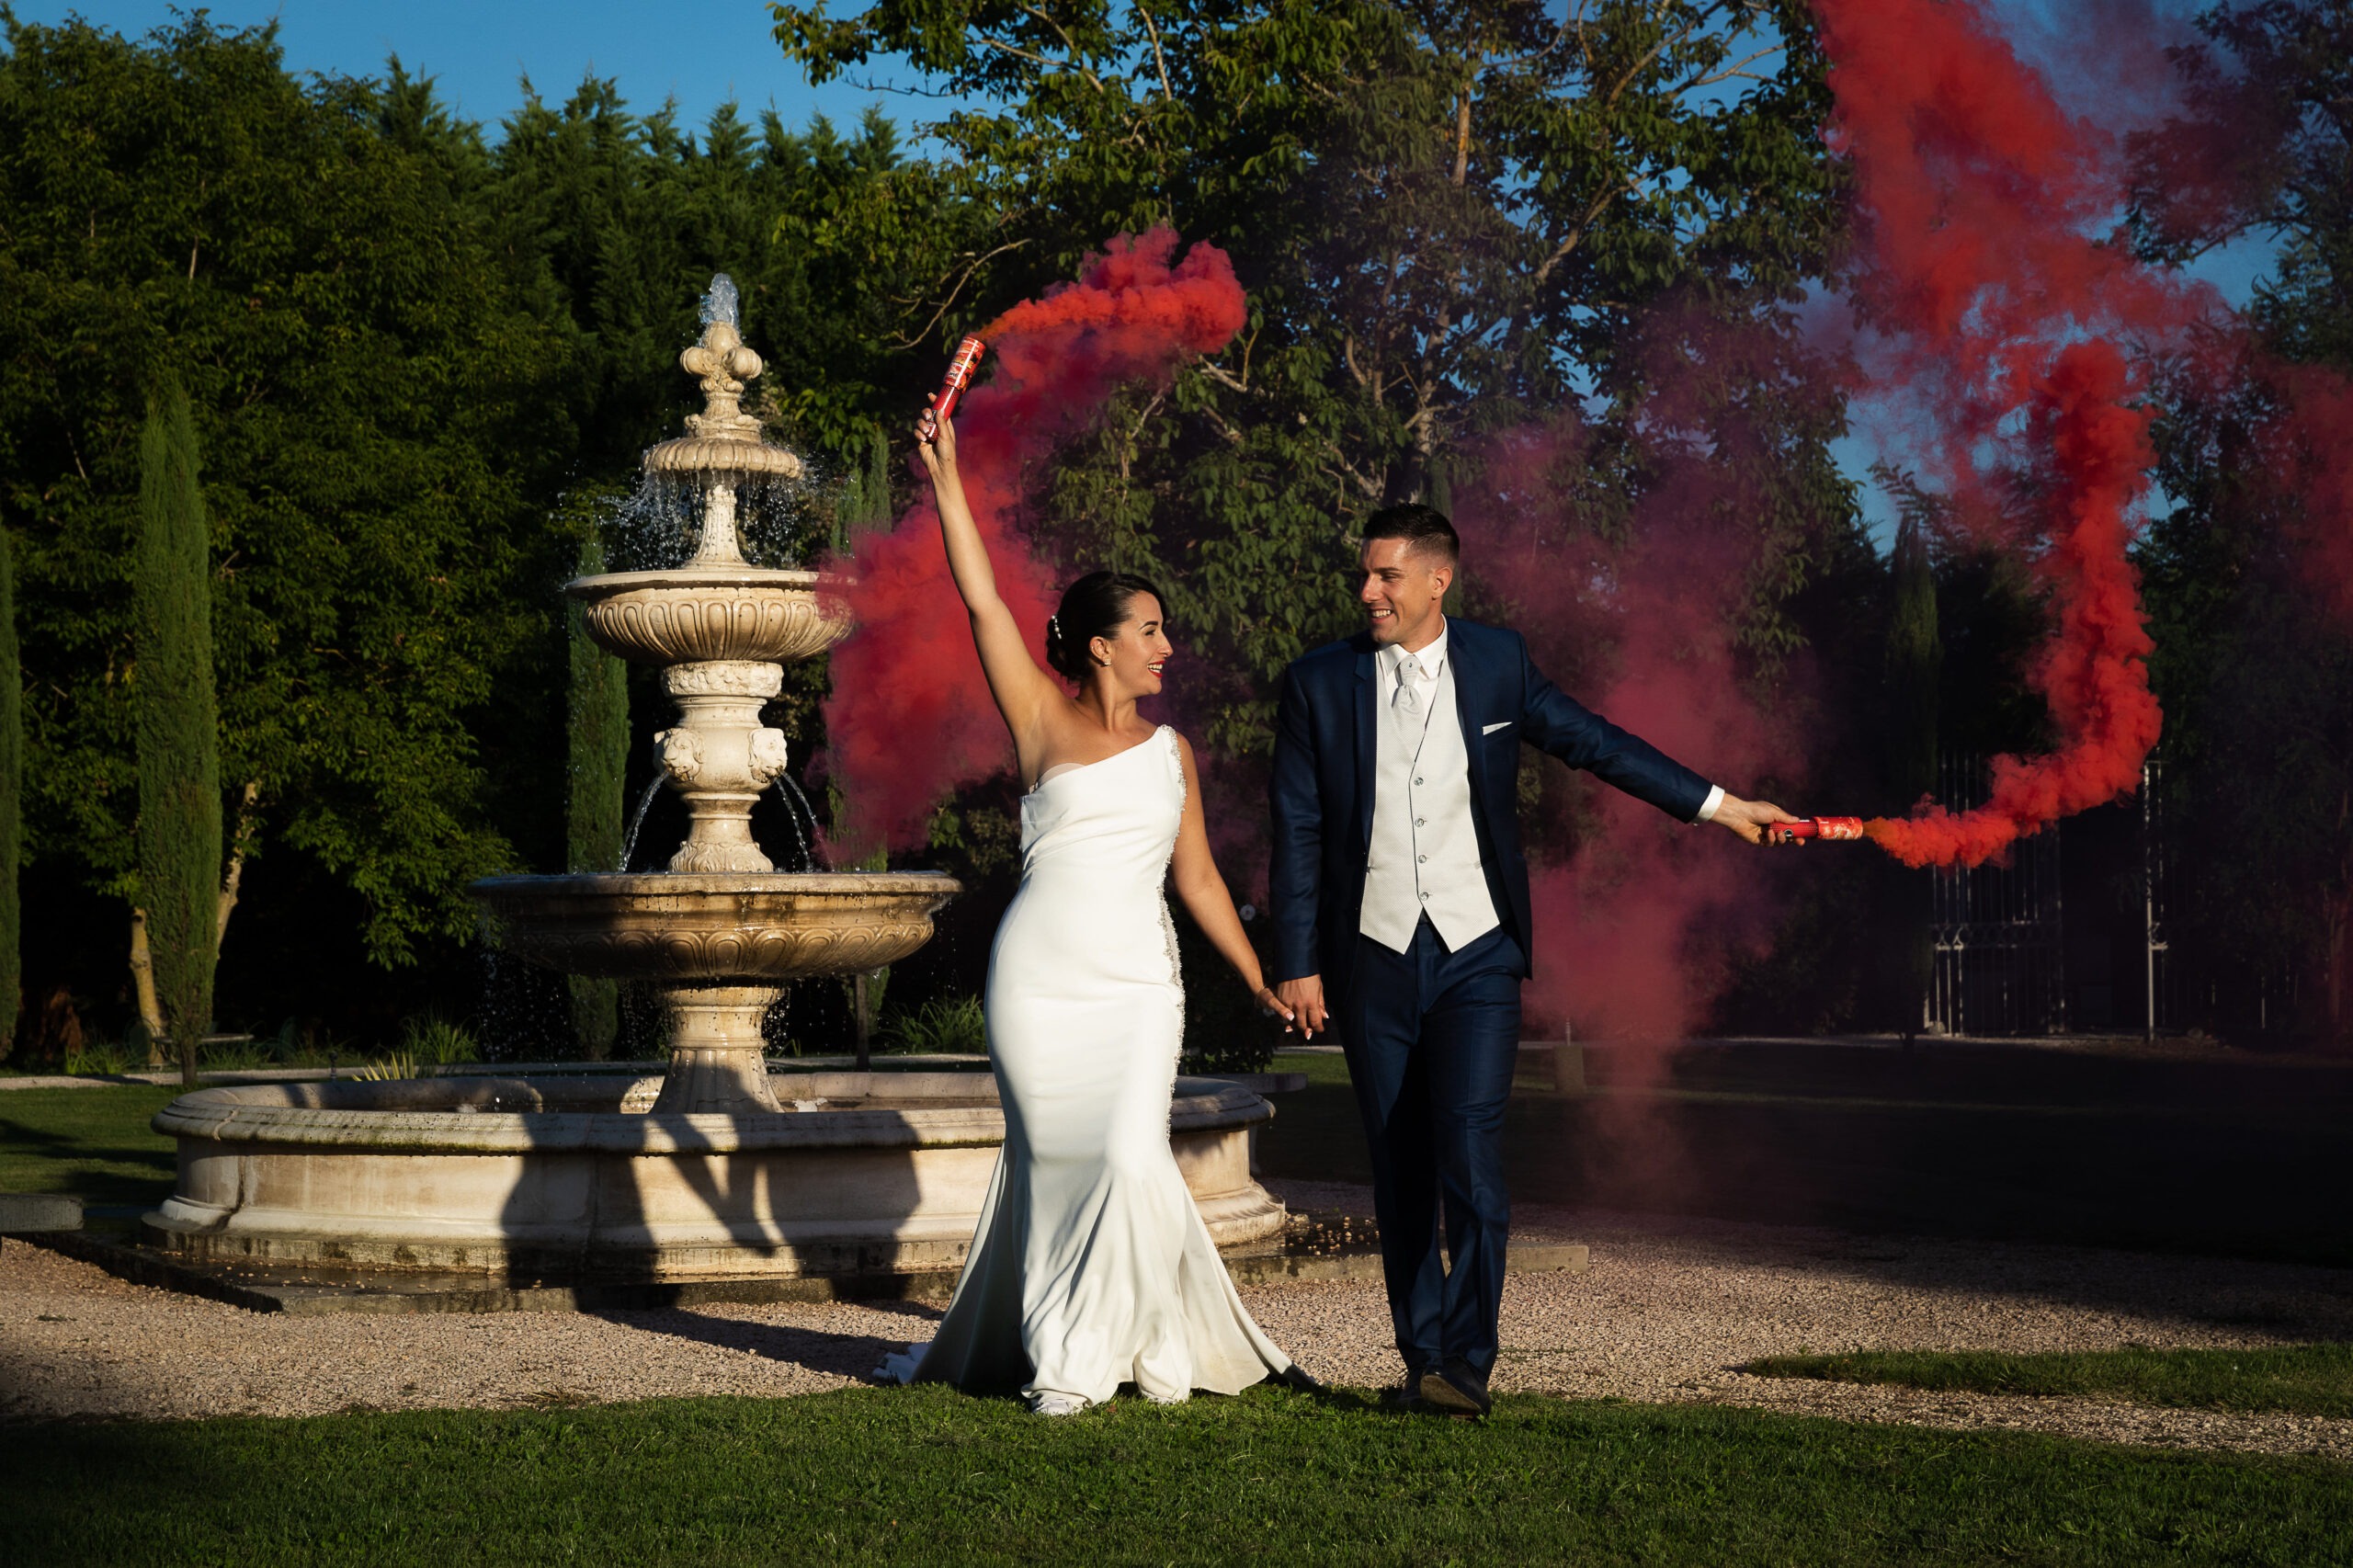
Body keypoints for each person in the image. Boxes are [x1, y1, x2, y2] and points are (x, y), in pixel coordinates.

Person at [1267, 504, 1795, 1418]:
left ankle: (1463, 1368)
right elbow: (1298, 828)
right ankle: (1419, 1354)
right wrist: (1297, 957)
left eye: (1385, 575)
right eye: (1364, 573)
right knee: (1399, 1164)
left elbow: (1597, 743)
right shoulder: (1317, 682)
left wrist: (1719, 804)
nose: (1366, 590)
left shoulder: (1499, 663)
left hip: (1478, 954)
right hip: (1371, 958)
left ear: (1438, 579)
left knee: (1469, 1151)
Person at [876, 409, 1301, 1415]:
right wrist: (944, 476)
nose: (1169, 646)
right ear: (1103, 645)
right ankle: (1066, 1350)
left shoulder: (1174, 752)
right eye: (1151, 630)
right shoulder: (1037, 714)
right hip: (1038, 980)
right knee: (1055, 1159)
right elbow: (980, 601)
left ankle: (1098, 1346)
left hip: (1136, 986)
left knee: (1121, 1152)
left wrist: (1253, 973)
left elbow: (1196, 879)